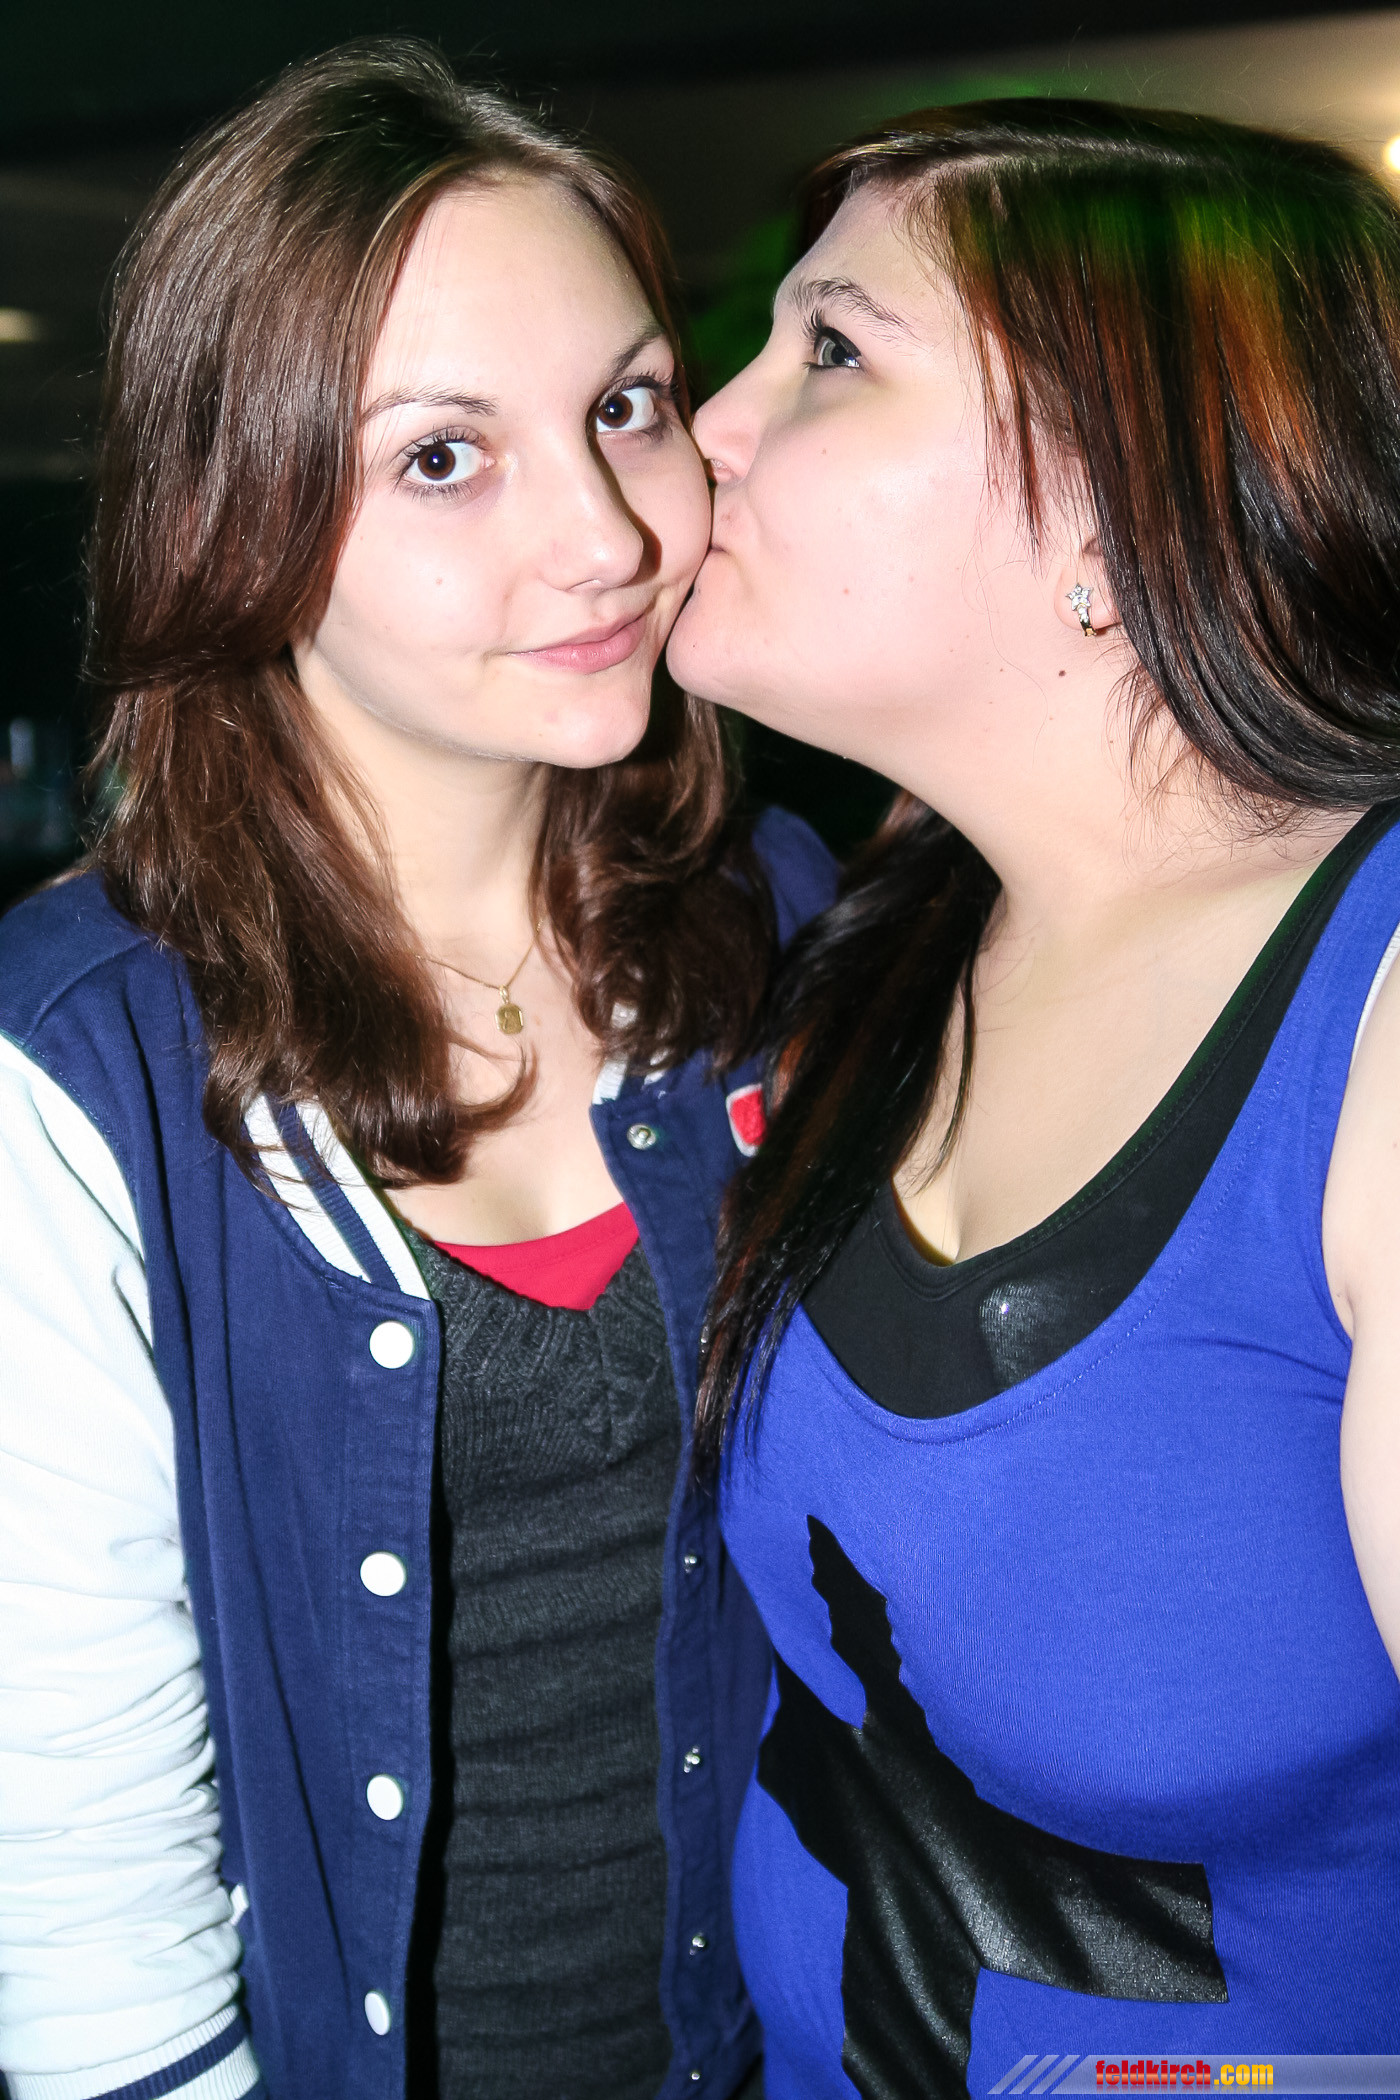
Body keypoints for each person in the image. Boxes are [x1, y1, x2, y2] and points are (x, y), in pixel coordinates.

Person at [0, 41, 834, 2100]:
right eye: (444, 457)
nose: (607, 538)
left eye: (625, 407)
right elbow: (90, 1907)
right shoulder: (76, 1075)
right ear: (237, 516)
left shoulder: (781, 925)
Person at [667, 99, 1400, 2094]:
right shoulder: (883, 937)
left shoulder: (1372, 1021)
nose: (710, 425)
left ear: (1119, 509)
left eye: (833, 349)